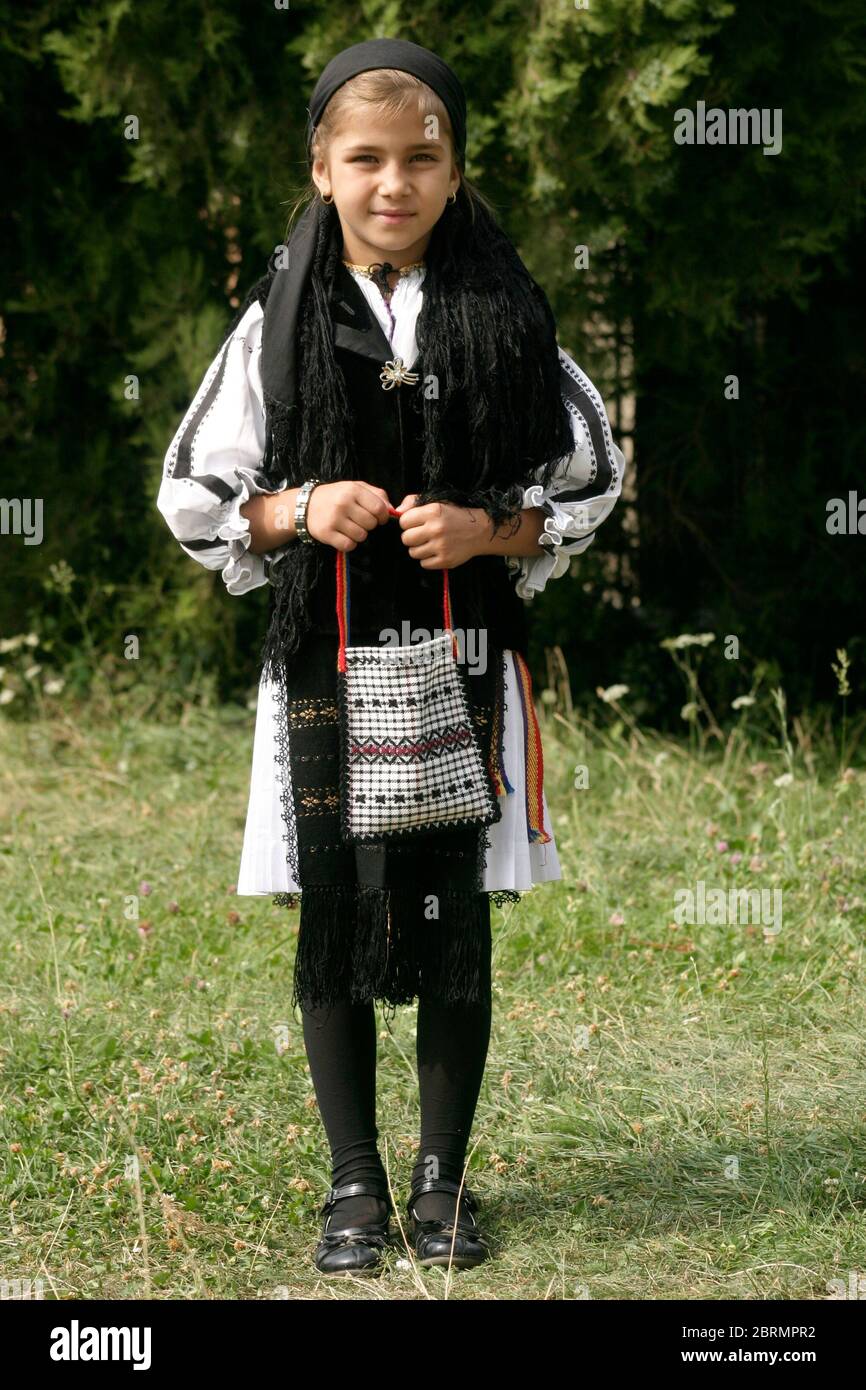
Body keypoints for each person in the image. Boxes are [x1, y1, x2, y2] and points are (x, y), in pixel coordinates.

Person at [157, 37, 626, 1278]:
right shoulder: (276, 322)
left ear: (455, 173)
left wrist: (487, 526)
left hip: (467, 655)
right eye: (364, 159)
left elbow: (589, 474)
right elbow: (198, 489)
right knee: (341, 906)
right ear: (320, 169)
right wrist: (298, 508)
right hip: (327, 658)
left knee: (452, 912)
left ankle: (443, 1180)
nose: (392, 185)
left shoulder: (505, 314)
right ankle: (354, 1181)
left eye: (422, 160)